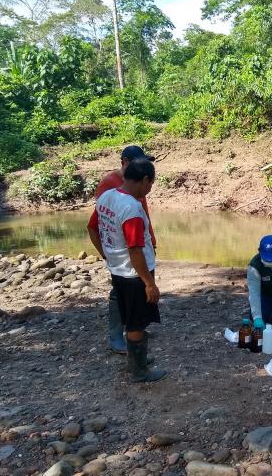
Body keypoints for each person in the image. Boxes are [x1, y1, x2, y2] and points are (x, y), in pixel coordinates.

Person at [87, 158, 166, 383]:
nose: (150, 190)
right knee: (136, 322)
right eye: (150, 184)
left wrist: (106, 254)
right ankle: (139, 372)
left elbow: (92, 228)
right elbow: (135, 250)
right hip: (134, 275)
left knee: (130, 317)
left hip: (117, 270)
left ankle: (136, 360)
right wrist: (149, 283)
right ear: (143, 180)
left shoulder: (106, 197)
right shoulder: (131, 208)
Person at [95, 145, 157, 354]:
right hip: (131, 269)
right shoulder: (115, 191)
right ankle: (131, 357)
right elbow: (134, 249)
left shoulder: (123, 192)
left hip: (124, 264)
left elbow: (141, 219)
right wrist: (149, 282)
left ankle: (134, 347)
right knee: (132, 315)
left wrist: (151, 241)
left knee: (135, 315)